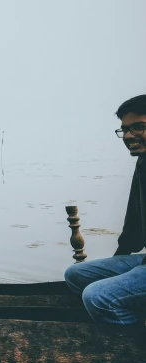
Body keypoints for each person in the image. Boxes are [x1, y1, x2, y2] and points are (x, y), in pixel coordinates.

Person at [64, 94, 146, 325]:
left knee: (99, 296)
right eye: (125, 129)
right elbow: (134, 222)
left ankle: (134, 353)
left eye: (139, 127)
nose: (129, 136)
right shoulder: (143, 162)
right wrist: (121, 263)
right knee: (76, 274)